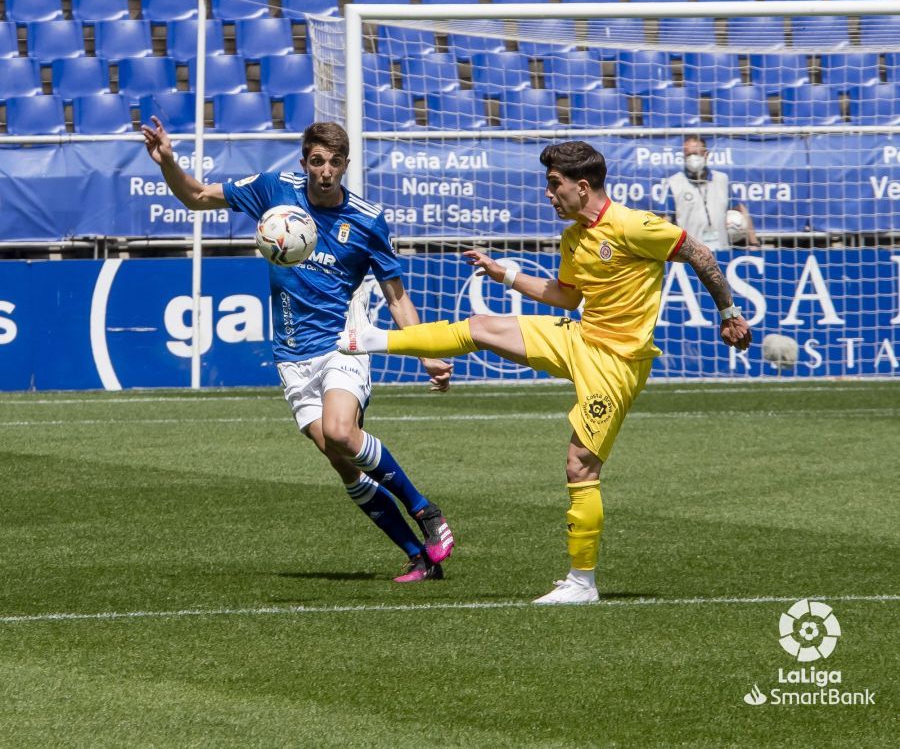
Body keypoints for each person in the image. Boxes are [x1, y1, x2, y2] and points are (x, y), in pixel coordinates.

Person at [339, 141, 752, 604]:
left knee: (580, 466)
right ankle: (367, 340)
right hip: (580, 336)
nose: (548, 195)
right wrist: (505, 275)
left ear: (582, 186)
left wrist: (728, 313)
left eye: (554, 185)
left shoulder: (634, 225)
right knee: (482, 326)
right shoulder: (575, 237)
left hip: (616, 364)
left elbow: (701, 255)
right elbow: (567, 297)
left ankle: (582, 583)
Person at [141, 118, 455, 583]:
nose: (325, 171)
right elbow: (197, 196)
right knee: (341, 461)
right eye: (317, 161)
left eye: (334, 162)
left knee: (342, 432)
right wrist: (168, 161)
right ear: (304, 161)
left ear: (345, 164)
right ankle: (419, 557)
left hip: (342, 343)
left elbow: (396, 296)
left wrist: (423, 349)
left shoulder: (367, 220)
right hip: (292, 355)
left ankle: (427, 511)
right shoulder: (275, 190)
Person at [667, 135, 760, 250]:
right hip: (691, 255)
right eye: (688, 154)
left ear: (706, 155)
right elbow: (666, 219)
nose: (692, 158)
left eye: (696, 153)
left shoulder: (721, 180)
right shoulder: (675, 183)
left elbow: (741, 210)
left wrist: (754, 243)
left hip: (721, 250)